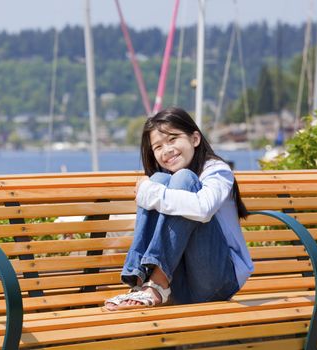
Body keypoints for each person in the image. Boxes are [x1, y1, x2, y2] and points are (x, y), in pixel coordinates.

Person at [104, 107, 253, 311]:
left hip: (219, 280)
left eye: (173, 139)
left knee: (183, 179)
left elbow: (203, 208)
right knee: (159, 179)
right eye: (157, 147)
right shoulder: (163, 180)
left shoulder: (216, 170)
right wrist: (152, 189)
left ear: (195, 139)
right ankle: (142, 282)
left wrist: (150, 192)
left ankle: (156, 284)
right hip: (181, 284)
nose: (166, 150)